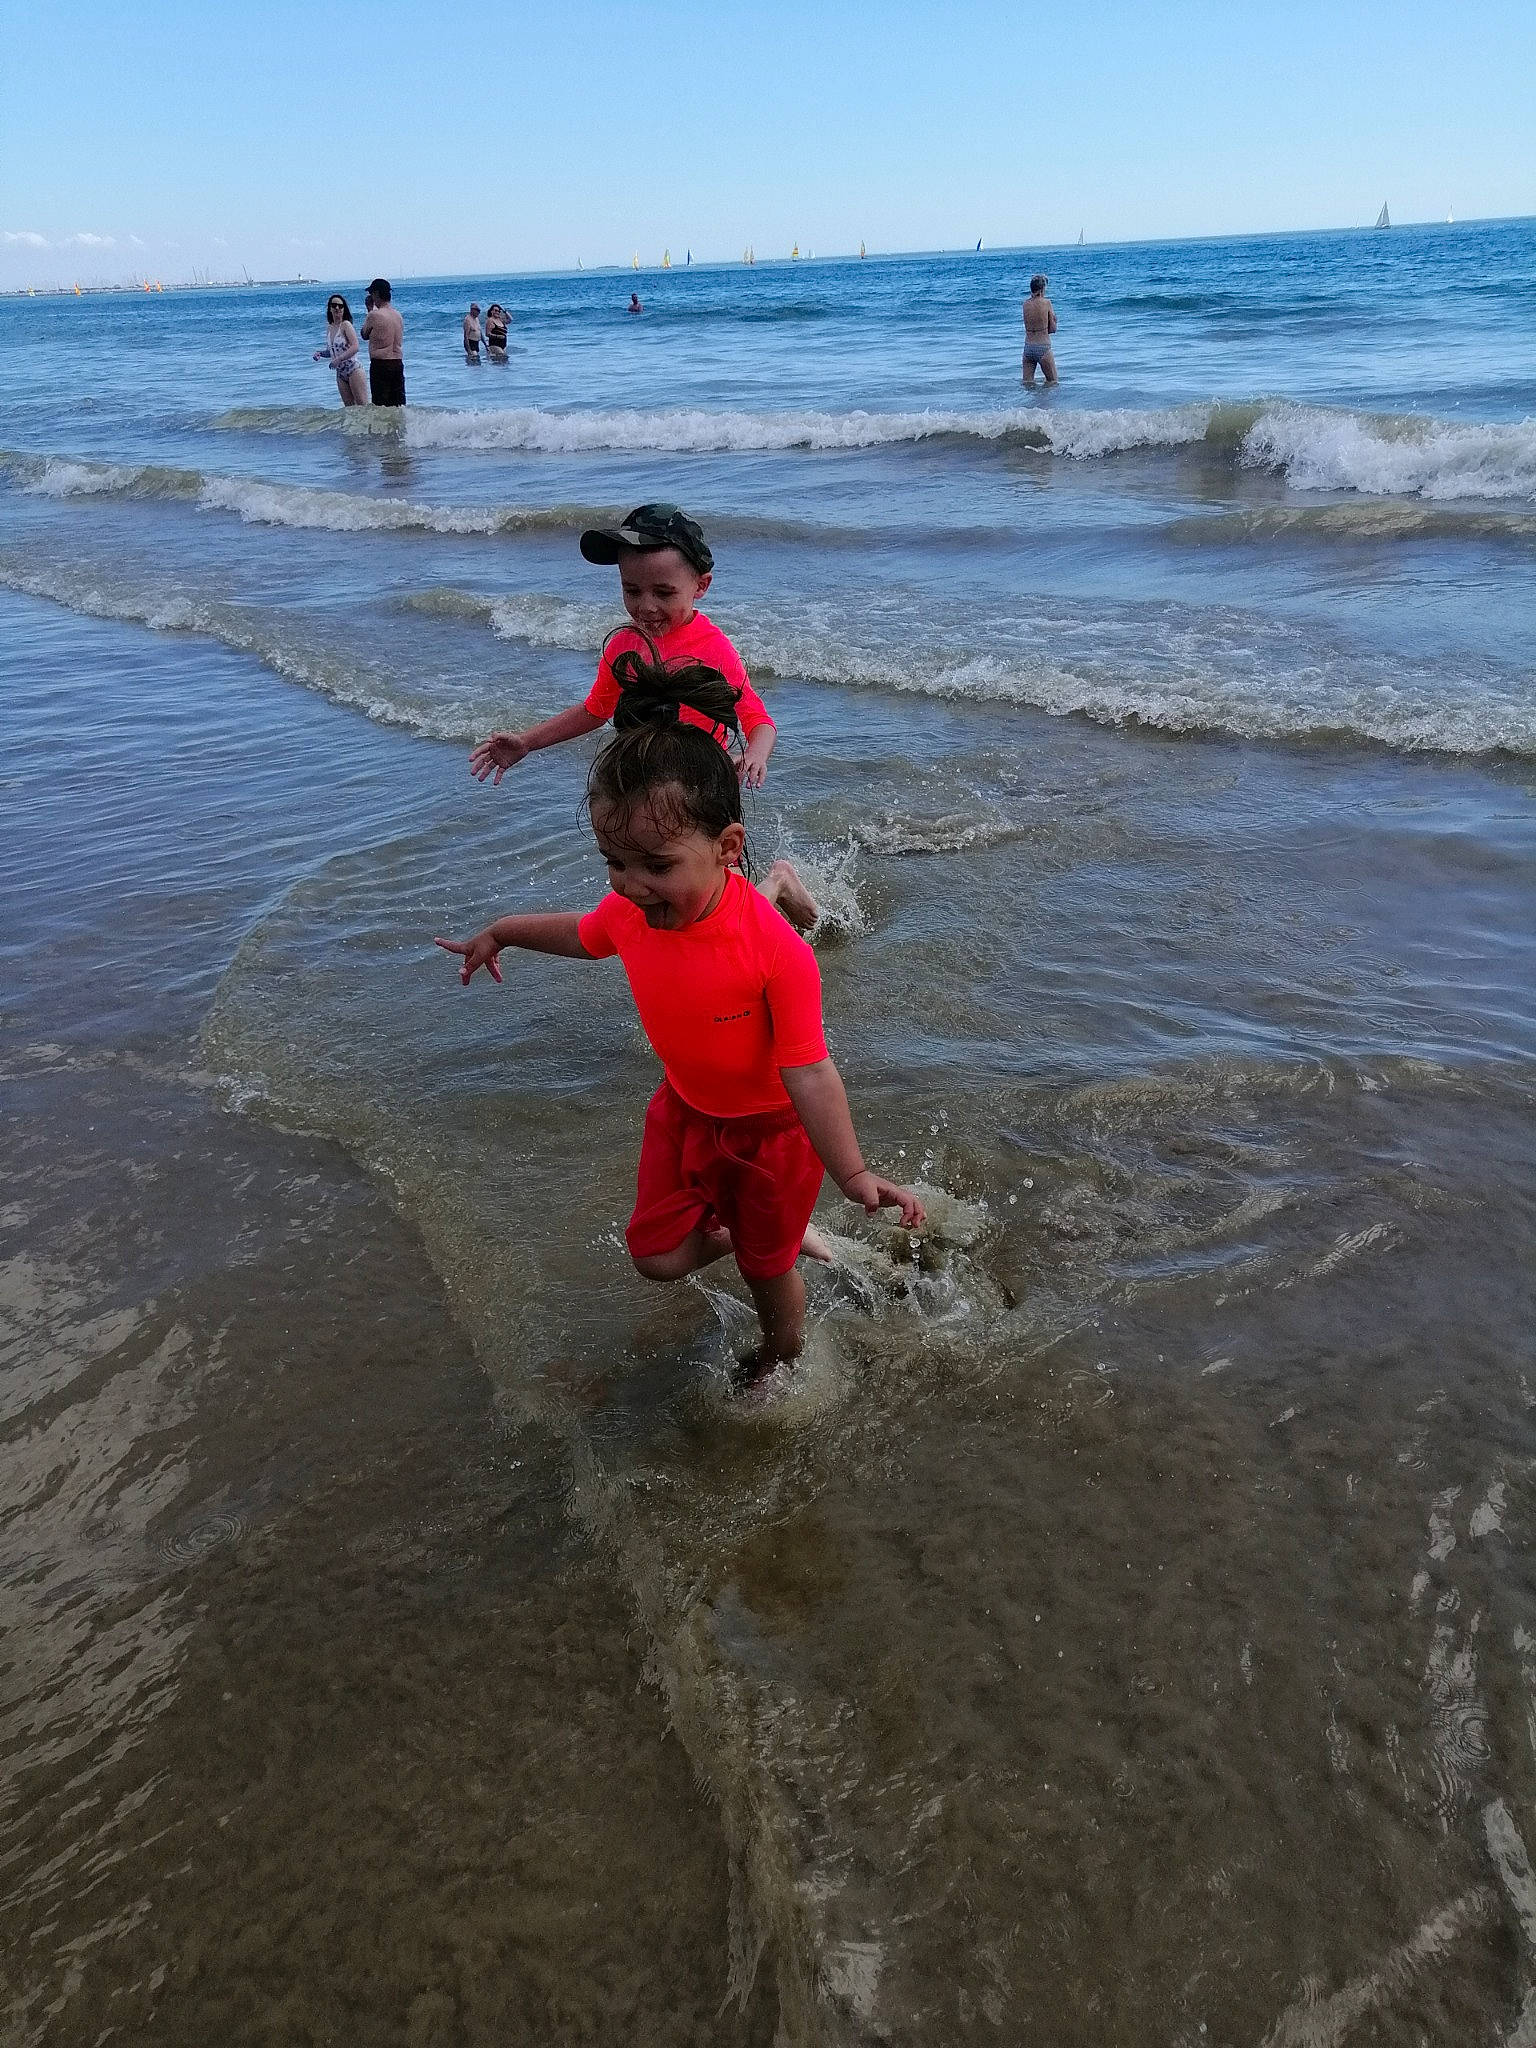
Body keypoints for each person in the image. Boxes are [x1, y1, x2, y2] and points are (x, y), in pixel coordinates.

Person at [437, 654, 925, 1377]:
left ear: (728, 847)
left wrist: (851, 1173)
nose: (631, 886)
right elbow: (584, 934)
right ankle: (760, 1239)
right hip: (685, 1113)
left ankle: (780, 1355)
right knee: (657, 1256)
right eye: (614, 862)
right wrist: (504, 929)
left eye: (655, 866)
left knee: (768, 1276)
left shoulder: (775, 954)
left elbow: (811, 1071)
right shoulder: (633, 911)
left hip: (771, 1141)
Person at [470, 503, 779, 791]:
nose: (646, 607)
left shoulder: (713, 648)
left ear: (701, 586)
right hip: (637, 783)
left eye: (663, 593)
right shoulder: (624, 646)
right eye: (632, 590)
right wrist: (527, 742)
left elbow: (757, 718)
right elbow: (595, 710)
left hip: (702, 787)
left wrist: (755, 754)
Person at [313, 292, 369, 406]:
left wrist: (339, 359)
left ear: (344, 309)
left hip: (353, 369)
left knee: (363, 406)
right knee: (349, 408)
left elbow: (355, 346)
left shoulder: (346, 325)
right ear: (330, 308)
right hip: (340, 373)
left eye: (340, 306)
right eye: (334, 305)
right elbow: (333, 351)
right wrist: (320, 353)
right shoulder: (330, 328)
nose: (337, 308)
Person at [361, 277, 405, 406]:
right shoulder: (398, 315)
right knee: (398, 405)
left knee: (380, 405)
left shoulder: (374, 315)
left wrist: (369, 309)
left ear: (376, 294)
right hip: (397, 363)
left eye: (371, 294)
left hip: (381, 364)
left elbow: (364, 334)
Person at [1022, 273, 1058, 386]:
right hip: (1043, 347)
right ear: (1042, 289)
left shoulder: (1025, 304)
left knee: (1027, 384)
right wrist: (1055, 321)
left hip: (1028, 347)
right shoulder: (1047, 303)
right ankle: (1045, 403)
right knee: (1052, 382)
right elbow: (1052, 329)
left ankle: (1028, 404)